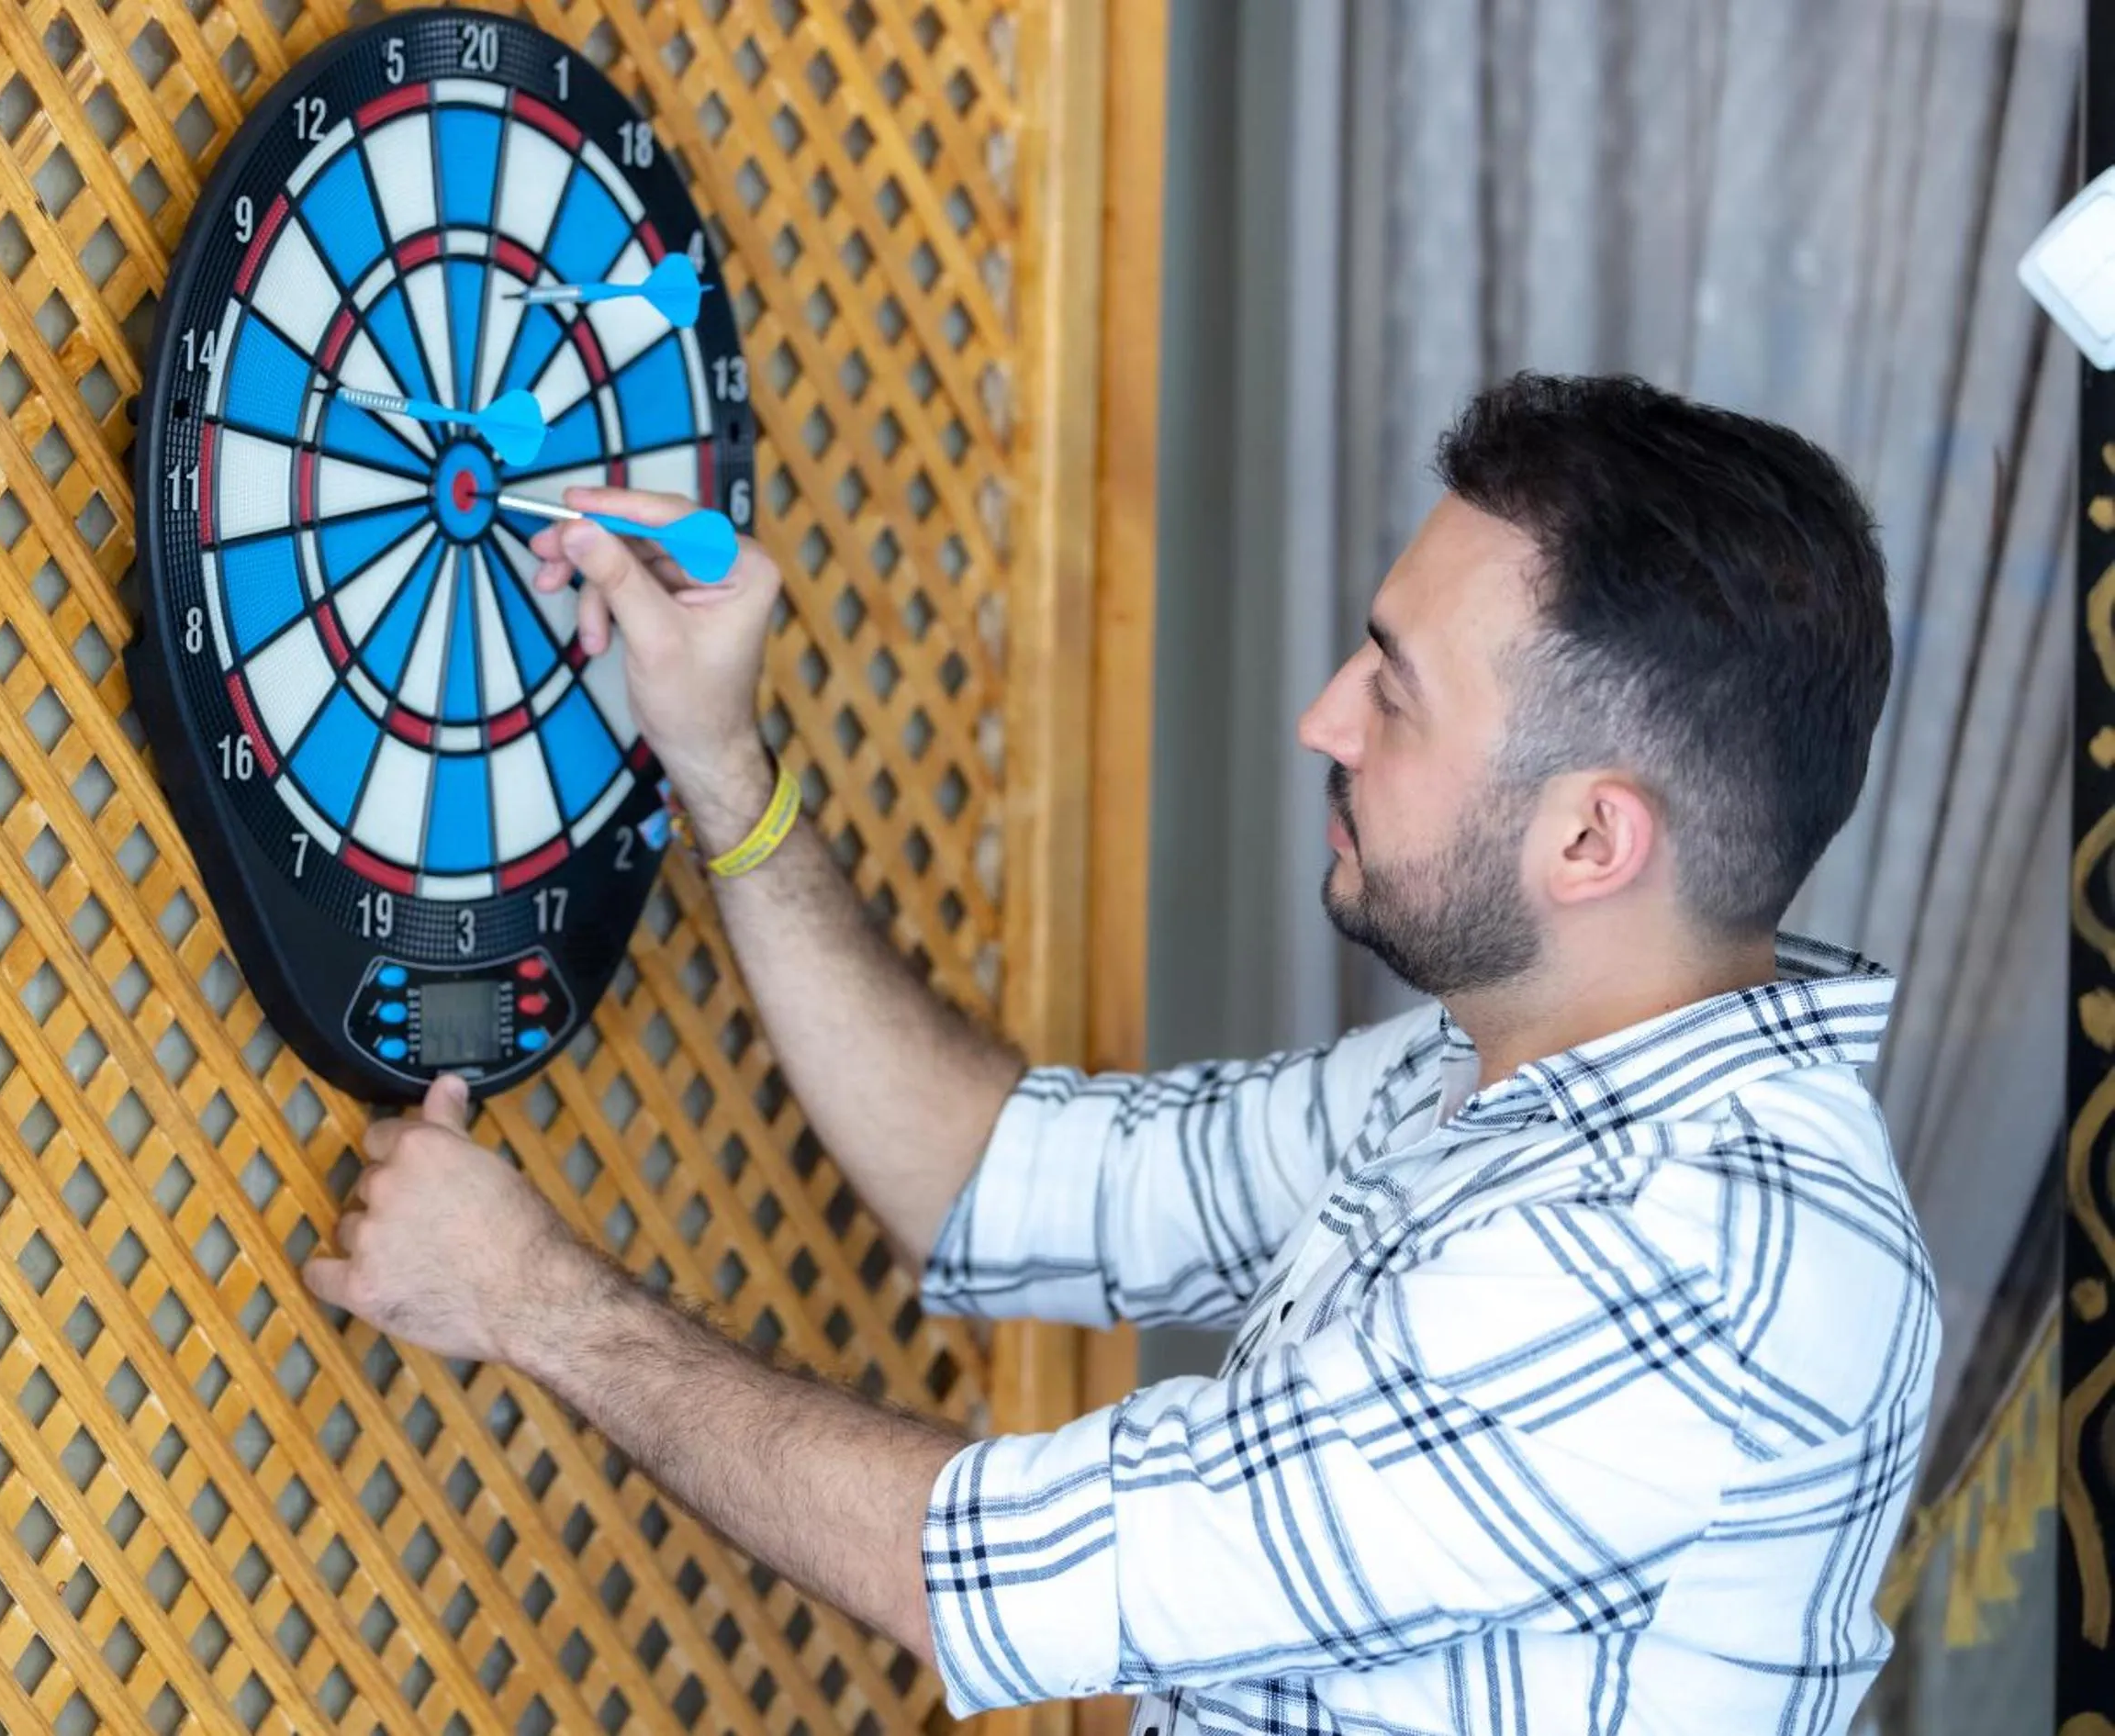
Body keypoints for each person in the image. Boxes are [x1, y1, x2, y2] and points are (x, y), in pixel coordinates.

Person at [299, 372, 1936, 1733]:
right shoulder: (1501, 1072)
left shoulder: (1695, 1247)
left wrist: (524, 1296)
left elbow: (994, 1580)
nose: (1323, 718)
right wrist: (719, 761)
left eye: (1397, 691)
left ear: (1591, 838)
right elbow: (995, 1184)